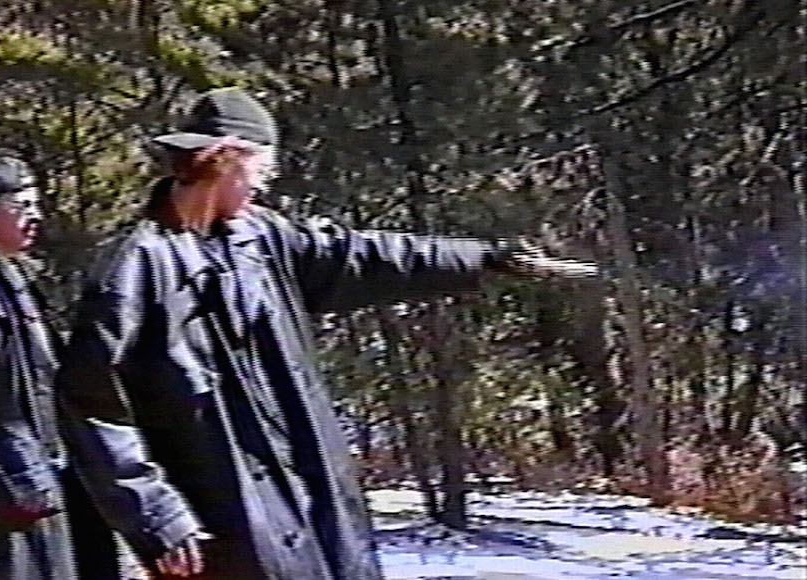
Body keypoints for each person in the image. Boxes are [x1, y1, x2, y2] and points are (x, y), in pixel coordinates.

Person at [55, 88, 598, 580]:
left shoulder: (264, 239)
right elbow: (90, 403)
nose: (264, 186)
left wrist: (486, 259)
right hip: (223, 525)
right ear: (225, 160)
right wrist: (156, 514)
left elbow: (371, 256)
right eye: (258, 172)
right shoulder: (136, 269)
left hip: (314, 507)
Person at [0, 157, 118, 579]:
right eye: (21, 207)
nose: (34, 218)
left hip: (38, 484)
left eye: (36, 205)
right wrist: (30, 481)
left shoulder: (16, 280)